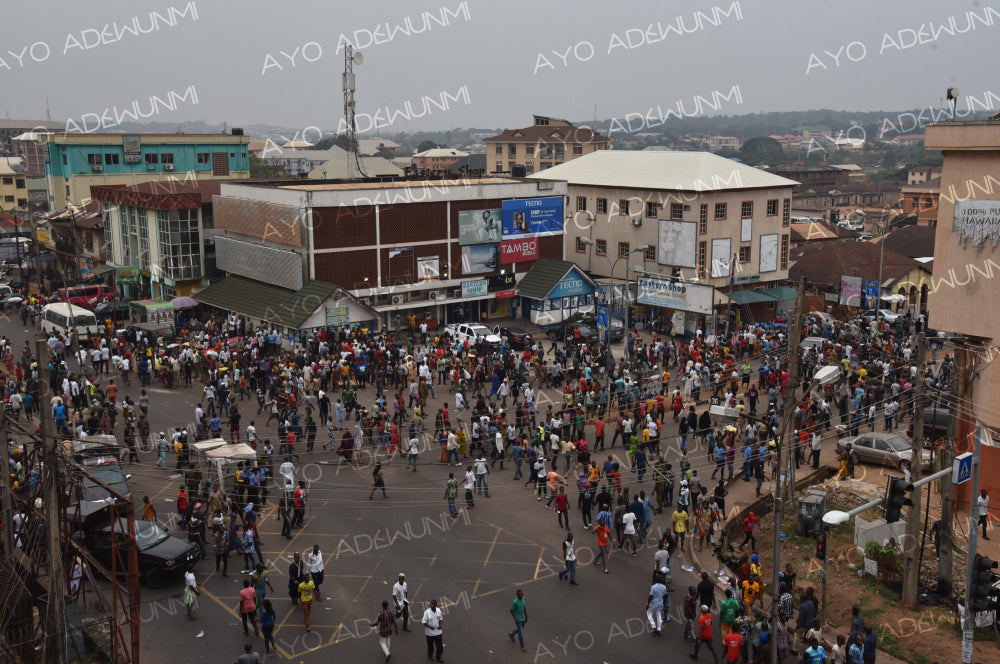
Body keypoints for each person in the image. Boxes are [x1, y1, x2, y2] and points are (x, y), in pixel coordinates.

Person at [422, 598, 445, 663]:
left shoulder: (439, 610)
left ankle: (439, 657)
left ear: (435, 605)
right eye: (430, 604)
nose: (431, 605)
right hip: (429, 633)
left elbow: (440, 618)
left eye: (432, 604)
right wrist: (430, 627)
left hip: (438, 632)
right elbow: (423, 622)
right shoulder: (427, 612)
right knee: (430, 646)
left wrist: (440, 625)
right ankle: (430, 656)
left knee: (439, 646)